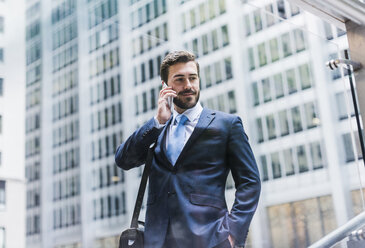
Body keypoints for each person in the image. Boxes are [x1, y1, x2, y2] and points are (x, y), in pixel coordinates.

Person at [115, 51, 261, 248]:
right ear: (165, 86)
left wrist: (233, 232)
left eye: (193, 78)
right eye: (180, 79)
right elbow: (123, 160)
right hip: (158, 241)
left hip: (210, 239)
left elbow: (250, 183)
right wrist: (158, 121)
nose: (188, 86)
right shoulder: (157, 129)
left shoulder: (227, 125)